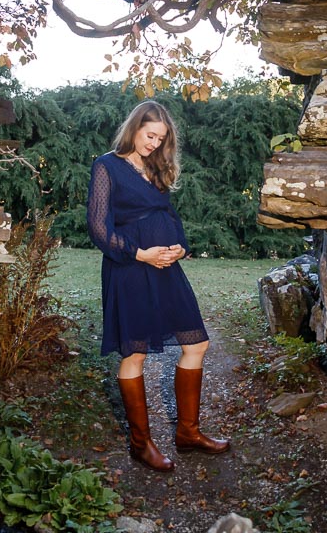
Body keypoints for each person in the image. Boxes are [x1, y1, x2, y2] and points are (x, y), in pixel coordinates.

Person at [87, 100, 230, 472]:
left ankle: (188, 433)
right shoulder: (106, 166)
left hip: (165, 267)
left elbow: (166, 213)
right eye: (150, 135)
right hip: (129, 268)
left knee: (196, 343)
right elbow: (98, 229)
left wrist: (179, 245)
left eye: (160, 139)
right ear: (134, 128)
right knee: (134, 354)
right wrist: (140, 254)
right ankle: (141, 444)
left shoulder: (154, 167)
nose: (154, 144)